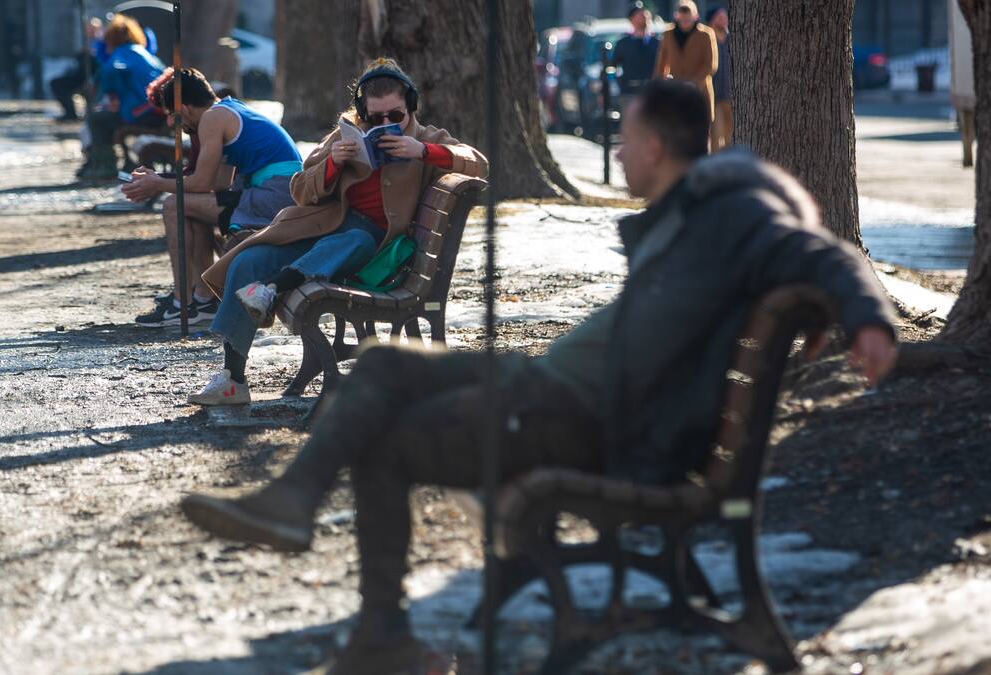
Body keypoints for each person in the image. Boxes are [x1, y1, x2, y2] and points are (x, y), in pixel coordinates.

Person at [177, 79, 899, 674]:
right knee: (387, 363)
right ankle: (297, 504)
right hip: (567, 387)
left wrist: (869, 319)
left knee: (389, 432)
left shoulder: (732, 207)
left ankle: (377, 630)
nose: (616, 146)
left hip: (588, 413)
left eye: (624, 135)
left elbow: (825, 252)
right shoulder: (700, 207)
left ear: (652, 146)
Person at [178, 58, 488, 406]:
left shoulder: (426, 138)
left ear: (410, 107)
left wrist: (424, 151)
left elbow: (477, 161)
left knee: (354, 239)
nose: (386, 125)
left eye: (396, 117)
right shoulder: (345, 135)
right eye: (375, 118)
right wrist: (332, 164)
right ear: (361, 113)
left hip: (375, 248)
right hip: (319, 230)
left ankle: (273, 288)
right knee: (248, 260)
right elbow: (300, 190)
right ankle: (233, 378)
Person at [121, 67, 303, 329]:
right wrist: (159, 178)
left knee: (173, 205)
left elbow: (205, 182)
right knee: (188, 208)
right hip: (277, 192)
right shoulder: (227, 110)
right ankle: (203, 299)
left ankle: (181, 302)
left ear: (183, 109)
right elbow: (218, 183)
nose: (172, 124)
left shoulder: (211, 119)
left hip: (273, 195)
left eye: (172, 116)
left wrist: (157, 183)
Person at [77, 14, 165, 180]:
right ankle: (120, 162)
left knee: (97, 120)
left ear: (111, 39)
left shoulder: (121, 54)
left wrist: (107, 91)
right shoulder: (141, 52)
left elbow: (111, 72)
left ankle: (106, 166)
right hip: (157, 110)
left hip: (141, 112)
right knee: (105, 117)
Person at [654, 0, 717, 124]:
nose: (685, 23)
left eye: (688, 19)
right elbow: (661, 64)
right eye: (682, 19)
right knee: (676, 129)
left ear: (696, 16)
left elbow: (710, 66)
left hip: (700, 91)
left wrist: (692, 83)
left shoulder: (706, 34)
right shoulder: (668, 34)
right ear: (677, 17)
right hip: (675, 92)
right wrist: (659, 86)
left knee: (699, 130)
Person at [50, 18, 103, 122]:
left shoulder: (100, 43)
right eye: (88, 29)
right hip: (80, 76)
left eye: (92, 29)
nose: (90, 31)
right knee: (57, 83)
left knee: (59, 84)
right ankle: (70, 112)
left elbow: (99, 64)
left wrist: (91, 81)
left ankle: (71, 114)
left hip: (90, 78)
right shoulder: (87, 43)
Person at [613, 2, 661, 96]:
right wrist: (621, 85)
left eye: (645, 14)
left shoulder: (658, 43)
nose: (644, 17)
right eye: (640, 15)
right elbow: (613, 67)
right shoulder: (623, 44)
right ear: (632, 19)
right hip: (630, 92)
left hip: (653, 93)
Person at [706, 6, 732, 152]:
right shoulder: (706, 40)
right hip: (714, 97)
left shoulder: (733, 39)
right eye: (719, 17)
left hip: (732, 96)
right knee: (716, 135)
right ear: (711, 21)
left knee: (732, 136)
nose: (723, 20)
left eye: (724, 17)